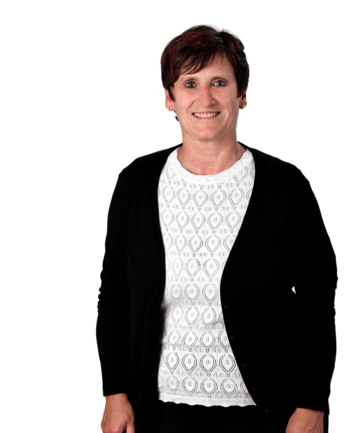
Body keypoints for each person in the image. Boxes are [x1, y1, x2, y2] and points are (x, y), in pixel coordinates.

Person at [95, 22, 338, 433]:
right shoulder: (135, 182)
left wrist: (312, 404)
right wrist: (114, 393)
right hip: (158, 413)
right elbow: (113, 297)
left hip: (266, 414)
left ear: (242, 94)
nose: (204, 98)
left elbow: (317, 301)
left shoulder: (286, 186)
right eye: (190, 84)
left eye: (219, 82)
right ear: (168, 97)